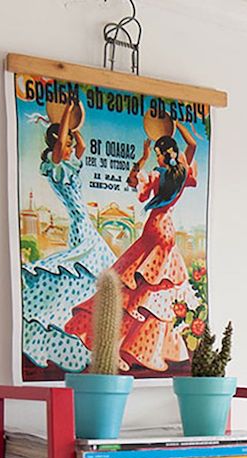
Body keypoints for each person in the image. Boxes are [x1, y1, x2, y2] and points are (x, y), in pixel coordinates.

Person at [65, 119, 200, 373]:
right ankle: (140, 345)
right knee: (154, 289)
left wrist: (142, 157)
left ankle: (120, 344)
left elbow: (132, 182)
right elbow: (192, 144)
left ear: (160, 155)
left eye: (157, 155)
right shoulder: (181, 171)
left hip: (153, 229)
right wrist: (180, 124)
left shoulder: (157, 174)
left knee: (130, 284)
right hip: (168, 233)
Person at [21, 100, 114, 372]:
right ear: (57, 144)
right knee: (93, 268)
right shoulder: (56, 164)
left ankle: (77, 319)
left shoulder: (68, 162)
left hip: (81, 221)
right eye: (67, 142)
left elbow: (80, 147)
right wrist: (64, 120)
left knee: (90, 272)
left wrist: (75, 126)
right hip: (79, 220)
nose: (72, 146)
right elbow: (62, 145)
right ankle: (68, 316)